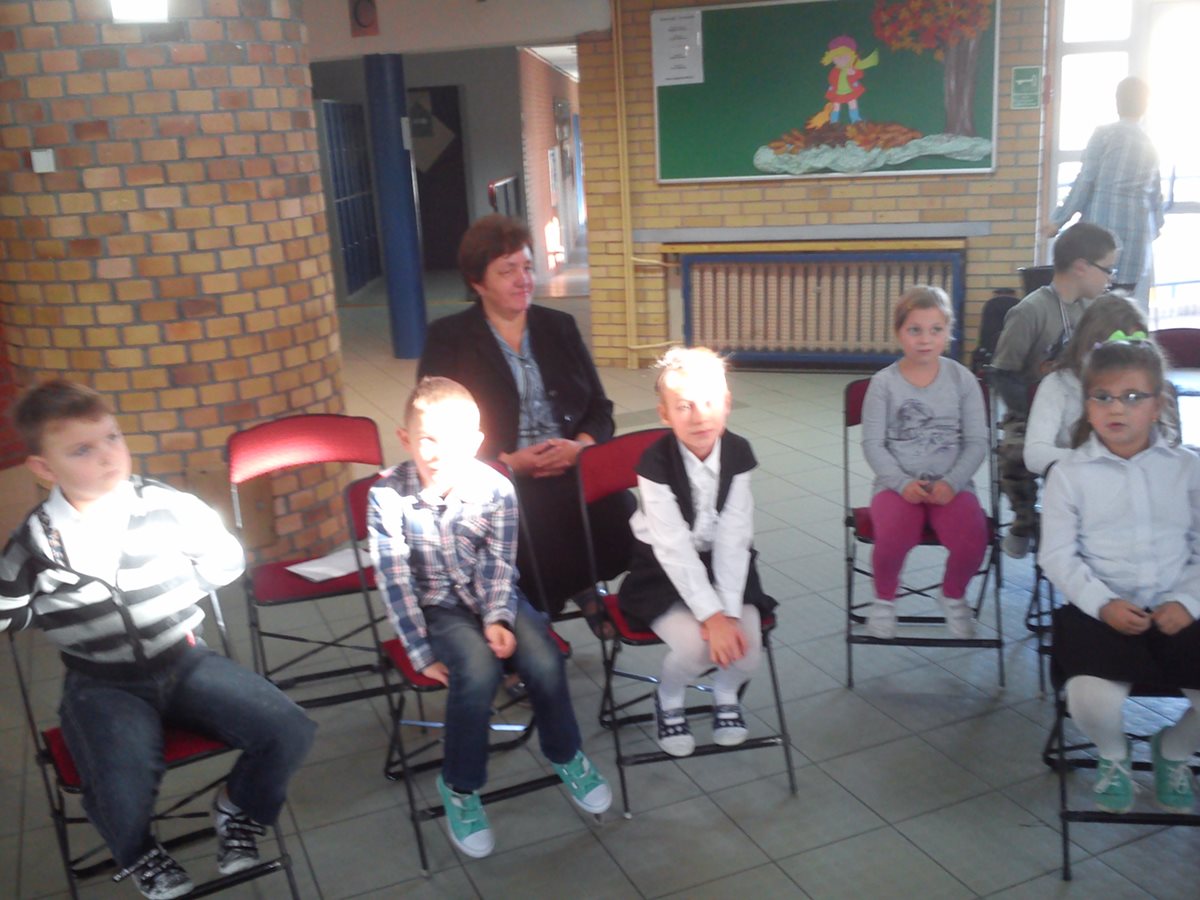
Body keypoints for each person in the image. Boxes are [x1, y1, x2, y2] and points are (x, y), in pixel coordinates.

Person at [0, 380, 316, 900]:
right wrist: (49, 613)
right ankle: (137, 850)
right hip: (101, 682)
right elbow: (6, 609)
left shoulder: (166, 505)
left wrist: (178, 590)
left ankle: (238, 806)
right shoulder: (35, 542)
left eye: (112, 437)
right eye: (82, 450)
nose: (107, 456)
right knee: (121, 772)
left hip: (184, 660)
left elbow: (225, 560)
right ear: (44, 467)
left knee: (288, 726)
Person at [367, 376, 611, 859]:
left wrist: (497, 617)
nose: (438, 453)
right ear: (405, 438)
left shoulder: (496, 488)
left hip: (493, 594)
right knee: (477, 670)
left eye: (453, 441)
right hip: (437, 606)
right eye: (426, 439)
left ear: (477, 442)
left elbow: (500, 563)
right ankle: (460, 785)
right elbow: (394, 581)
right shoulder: (386, 495)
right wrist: (419, 650)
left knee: (543, 656)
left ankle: (565, 752)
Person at [418, 215, 631, 625]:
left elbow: (599, 408)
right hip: (497, 476)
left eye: (528, 267)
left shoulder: (559, 327)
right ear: (477, 282)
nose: (523, 280)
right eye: (507, 271)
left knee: (618, 510)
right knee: (529, 523)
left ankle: (576, 587)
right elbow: (434, 429)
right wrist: (507, 464)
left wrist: (581, 448)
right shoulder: (449, 339)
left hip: (570, 463)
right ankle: (537, 618)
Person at [1039, 339, 1200, 814]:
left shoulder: (1188, 468)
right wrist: (1102, 603)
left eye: (1133, 397)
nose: (1116, 408)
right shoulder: (1069, 474)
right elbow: (1057, 556)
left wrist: (1189, 601)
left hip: (1179, 606)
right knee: (1089, 698)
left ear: (1158, 405)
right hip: (1101, 611)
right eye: (1103, 397)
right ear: (1087, 406)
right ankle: (1112, 752)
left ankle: (1174, 748)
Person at [618, 347, 776, 757]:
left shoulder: (738, 453)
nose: (698, 416)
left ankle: (725, 692)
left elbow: (735, 536)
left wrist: (729, 612)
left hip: (725, 563)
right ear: (665, 414)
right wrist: (711, 616)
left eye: (708, 402)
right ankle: (669, 697)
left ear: (727, 404)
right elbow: (672, 548)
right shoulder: (654, 463)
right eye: (683, 406)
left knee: (748, 650)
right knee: (695, 647)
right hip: (662, 569)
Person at [860, 286, 989, 641]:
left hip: (952, 484)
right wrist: (901, 483)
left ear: (949, 332)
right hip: (896, 486)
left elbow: (977, 442)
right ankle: (884, 599)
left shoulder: (963, 380)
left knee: (973, 538)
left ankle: (952, 594)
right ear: (898, 332)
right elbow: (873, 445)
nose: (925, 339)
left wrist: (953, 482)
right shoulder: (883, 384)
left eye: (936, 330)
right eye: (914, 329)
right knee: (892, 536)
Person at [990, 221, 1118, 558]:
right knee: (1016, 454)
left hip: (1082, 408)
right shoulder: (1029, 312)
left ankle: (1095, 528)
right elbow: (1002, 374)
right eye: (1108, 269)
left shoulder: (1095, 310)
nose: (1110, 278)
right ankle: (1025, 521)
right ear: (1081, 267)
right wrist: (1034, 413)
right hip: (1031, 410)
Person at [1025, 292, 1180, 476]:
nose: (1130, 360)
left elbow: (1169, 443)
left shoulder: (1149, 386)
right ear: (1091, 347)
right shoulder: (1058, 384)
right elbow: (1035, 454)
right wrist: (1101, 462)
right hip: (1079, 482)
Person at [1047, 76, 1165, 310]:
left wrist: (1058, 220)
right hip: (1137, 242)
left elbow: (1085, 180)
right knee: (1121, 312)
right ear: (1145, 106)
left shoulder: (1105, 135)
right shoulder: (1151, 144)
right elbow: (1156, 201)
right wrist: (1154, 230)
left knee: (1091, 311)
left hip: (1099, 239)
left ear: (1117, 101)